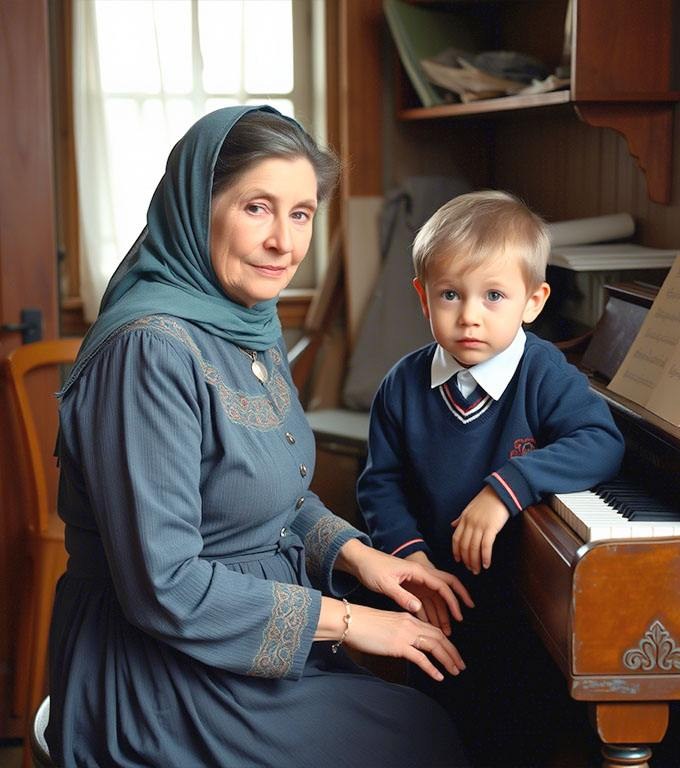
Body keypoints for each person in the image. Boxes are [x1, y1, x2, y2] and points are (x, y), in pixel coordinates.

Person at [46, 106, 474, 768]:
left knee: (429, 720)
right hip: (155, 676)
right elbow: (165, 586)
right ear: (197, 207)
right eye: (257, 208)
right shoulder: (149, 352)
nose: (284, 242)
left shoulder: (246, 321)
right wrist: (353, 621)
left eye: (301, 214)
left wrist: (360, 557)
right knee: (417, 737)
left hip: (235, 652)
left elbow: (267, 492)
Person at [357, 190, 626, 766]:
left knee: (522, 727)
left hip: (522, 601)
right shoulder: (401, 386)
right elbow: (380, 484)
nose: (469, 316)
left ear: (533, 301)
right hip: (435, 590)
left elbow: (600, 440)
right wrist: (411, 560)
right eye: (450, 294)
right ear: (423, 297)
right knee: (440, 725)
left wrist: (506, 488)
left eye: (494, 295)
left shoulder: (543, 372)